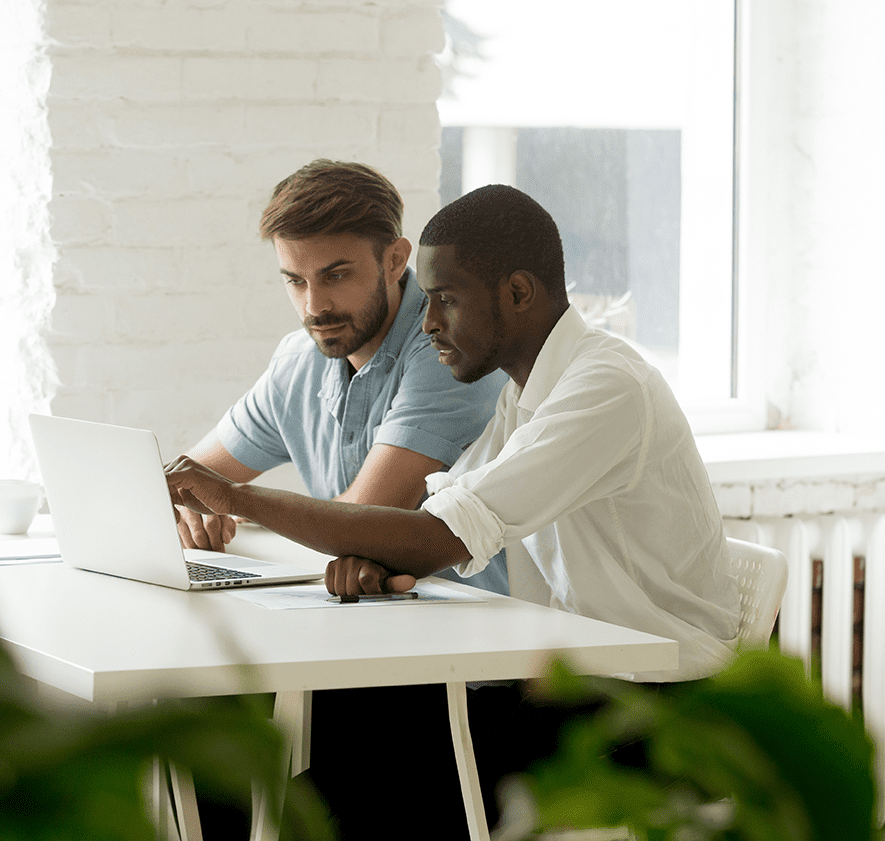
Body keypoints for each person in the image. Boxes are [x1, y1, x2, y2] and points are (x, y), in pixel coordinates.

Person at [167, 184, 741, 834]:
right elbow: (443, 522)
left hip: (659, 705)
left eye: (446, 299)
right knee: (336, 746)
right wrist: (384, 558)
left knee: (383, 768)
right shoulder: (522, 396)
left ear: (518, 293)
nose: (430, 321)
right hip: (570, 675)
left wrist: (238, 499)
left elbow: (438, 534)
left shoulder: (604, 388)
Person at [174, 161, 508, 838]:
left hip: (465, 674)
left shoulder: (449, 350)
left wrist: (230, 499)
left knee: (293, 790)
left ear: (395, 258)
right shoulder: (302, 359)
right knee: (205, 720)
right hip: (363, 649)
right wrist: (183, 505)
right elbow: (191, 474)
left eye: (335, 274)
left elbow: (364, 521)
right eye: (295, 280)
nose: (312, 305)